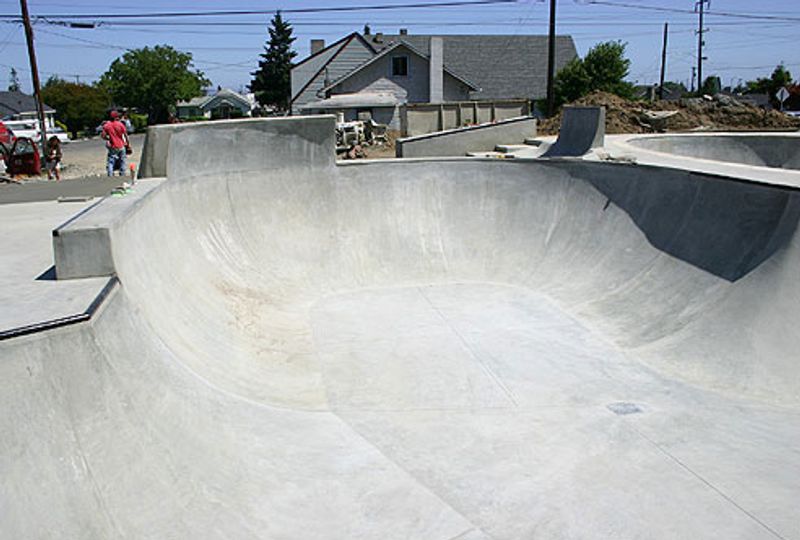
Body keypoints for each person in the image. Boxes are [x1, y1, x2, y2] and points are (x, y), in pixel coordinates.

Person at [101, 110, 130, 177]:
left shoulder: (107, 125)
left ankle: (110, 175)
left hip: (113, 146)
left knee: (111, 162)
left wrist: (108, 139)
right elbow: (126, 135)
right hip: (121, 145)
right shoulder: (120, 124)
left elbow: (103, 136)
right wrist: (128, 144)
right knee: (122, 161)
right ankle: (122, 175)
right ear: (117, 117)